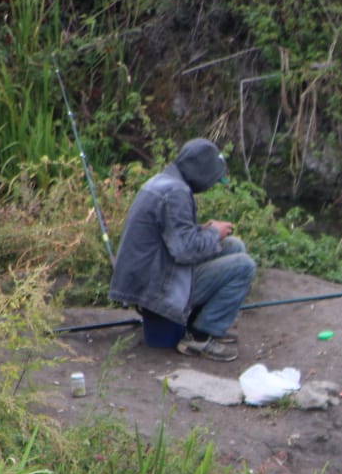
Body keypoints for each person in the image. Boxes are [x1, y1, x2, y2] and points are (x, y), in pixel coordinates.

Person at [109, 138, 257, 362]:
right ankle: (199, 338)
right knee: (244, 266)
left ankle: (198, 323)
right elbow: (185, 251)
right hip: (155, 289)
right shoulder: (175, 193)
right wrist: (214, 232)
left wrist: (203, 230)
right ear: (202, 172)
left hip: (152, 276)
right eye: (213, 180)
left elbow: (170, 236)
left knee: (234, 246)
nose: (211, 186)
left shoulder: (164, 182)